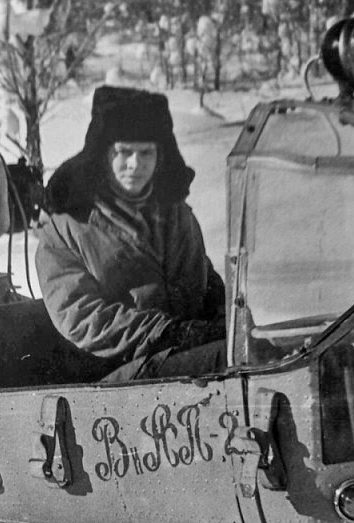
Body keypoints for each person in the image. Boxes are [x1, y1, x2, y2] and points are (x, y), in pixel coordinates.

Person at [35, 86, 236, 382]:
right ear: (103, 154)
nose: (135, 164)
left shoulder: (175, 214)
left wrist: (224, 319)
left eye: (146, 152)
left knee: (259, 353)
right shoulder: (68, 224)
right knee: (228, 359)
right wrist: (167, 333)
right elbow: (80, 316)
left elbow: (204, 280)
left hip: (182, 357)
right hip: (115, 374)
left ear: (160, 155)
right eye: (123, 151)